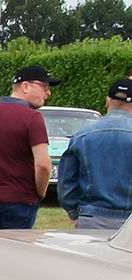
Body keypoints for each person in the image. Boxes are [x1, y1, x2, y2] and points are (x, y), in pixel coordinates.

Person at [0, 64, 56, 230]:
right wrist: (41, 193)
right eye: (44, 87)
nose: (48, 93)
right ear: (26, 86)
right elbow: (43, 164)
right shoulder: (32, 118)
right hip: (20, 199)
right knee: (15, 252)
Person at [57, 76, 132, 230]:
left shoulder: (81, 136)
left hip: (92, 218)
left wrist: (74, 212)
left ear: (107, 100)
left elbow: (66, 181)